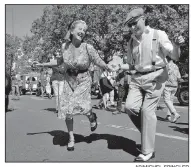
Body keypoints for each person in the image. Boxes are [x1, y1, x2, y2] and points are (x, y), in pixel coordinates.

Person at [116, 8, 184, 161]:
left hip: (156, 76)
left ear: (143, 19)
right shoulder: (131, 41)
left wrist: (177, 45)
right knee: (129, 107)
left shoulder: (158, 34)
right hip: (137, 78)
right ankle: (147, 131)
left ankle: (148, 151)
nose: (132, 28)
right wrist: (119, 66)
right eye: (129, 26)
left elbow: (175, 56)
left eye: (134, 23)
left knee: (147, 111)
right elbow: (132, 66)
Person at [36, 20, 113, 151]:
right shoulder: (64, 46)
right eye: (80, 28)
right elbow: (60, 60)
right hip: (68, 79)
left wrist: (107, 66)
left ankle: (91, 116)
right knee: (68, 110)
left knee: (84, 107)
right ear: (71, 31)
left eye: (84, 30)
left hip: (83, 80)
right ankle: (71, 138)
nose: (82, 31)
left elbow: (97, 60)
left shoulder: (88, 47)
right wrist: (43, 64)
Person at [164, 56, 182, 123]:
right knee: (170, 101)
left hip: (167, 85)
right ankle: (168, 115)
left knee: (166, 100)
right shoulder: (176, 66)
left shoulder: (166, 66)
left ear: (167, 58)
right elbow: (179, 77)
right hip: (175, 85)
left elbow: (164, 75)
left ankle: (175, 113)